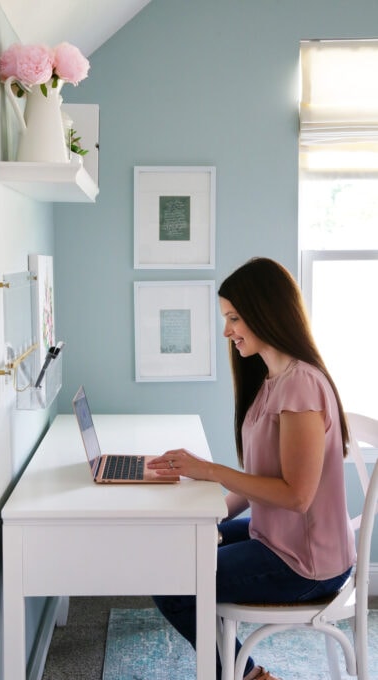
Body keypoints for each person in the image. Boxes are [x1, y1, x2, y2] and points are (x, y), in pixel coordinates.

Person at [147, 257, 356, 680]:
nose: (227, 331)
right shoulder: (271, 380)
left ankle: (248, 677)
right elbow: (261, 483)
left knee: (174, 582)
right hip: (276, 538)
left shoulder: (301, 385)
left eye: (234, 318)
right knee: (175, 554)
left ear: (266, 311)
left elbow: (297, 496)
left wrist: (212, 471)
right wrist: (209, 516)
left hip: (306, 562)